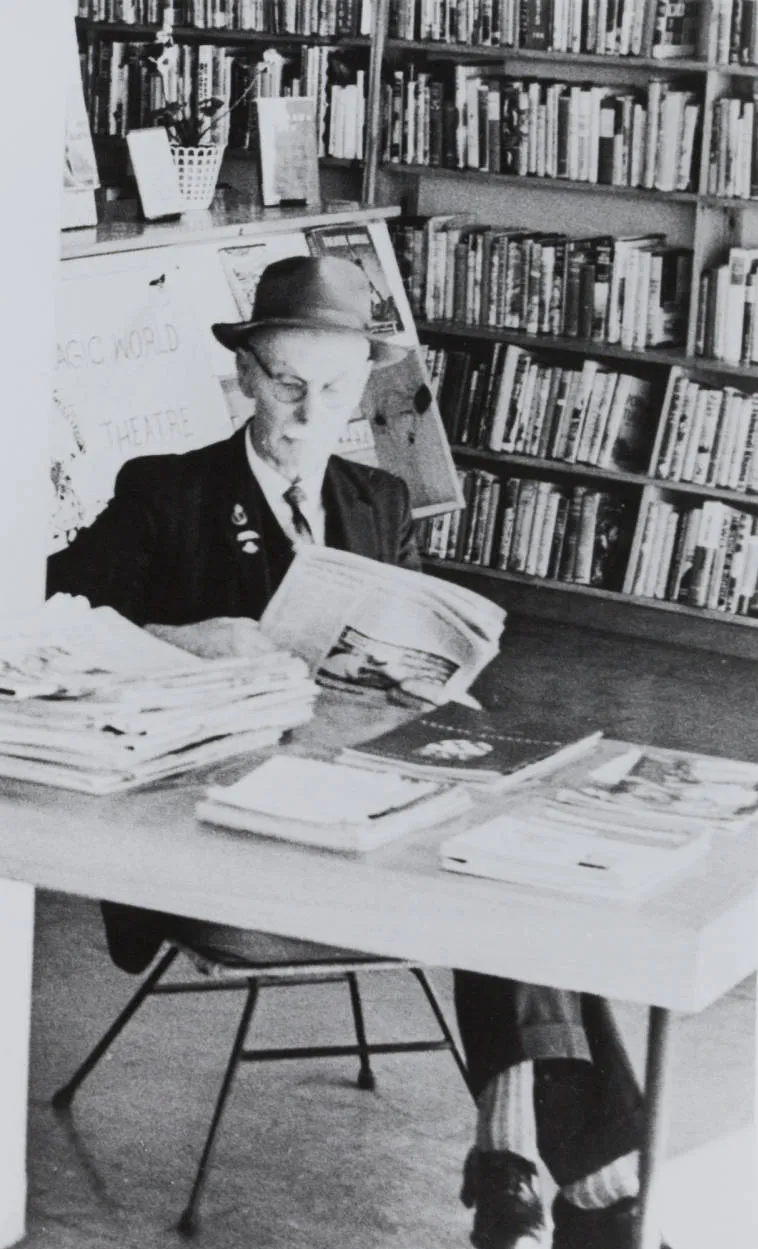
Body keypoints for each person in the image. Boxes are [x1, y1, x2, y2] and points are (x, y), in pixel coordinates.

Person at [47, 255, 667, 1249]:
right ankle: (574, 1176)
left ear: (357, 389)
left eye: (331, 389)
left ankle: (513, 1157)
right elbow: (48, 613)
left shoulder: (375, 502)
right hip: (211, 826)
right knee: (485, 883)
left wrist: (437, 687)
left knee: (499, 855)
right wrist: (181, 637)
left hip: (354, 802)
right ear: (243, 376)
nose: (304, 409)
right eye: (284, 382)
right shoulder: (164, 493)